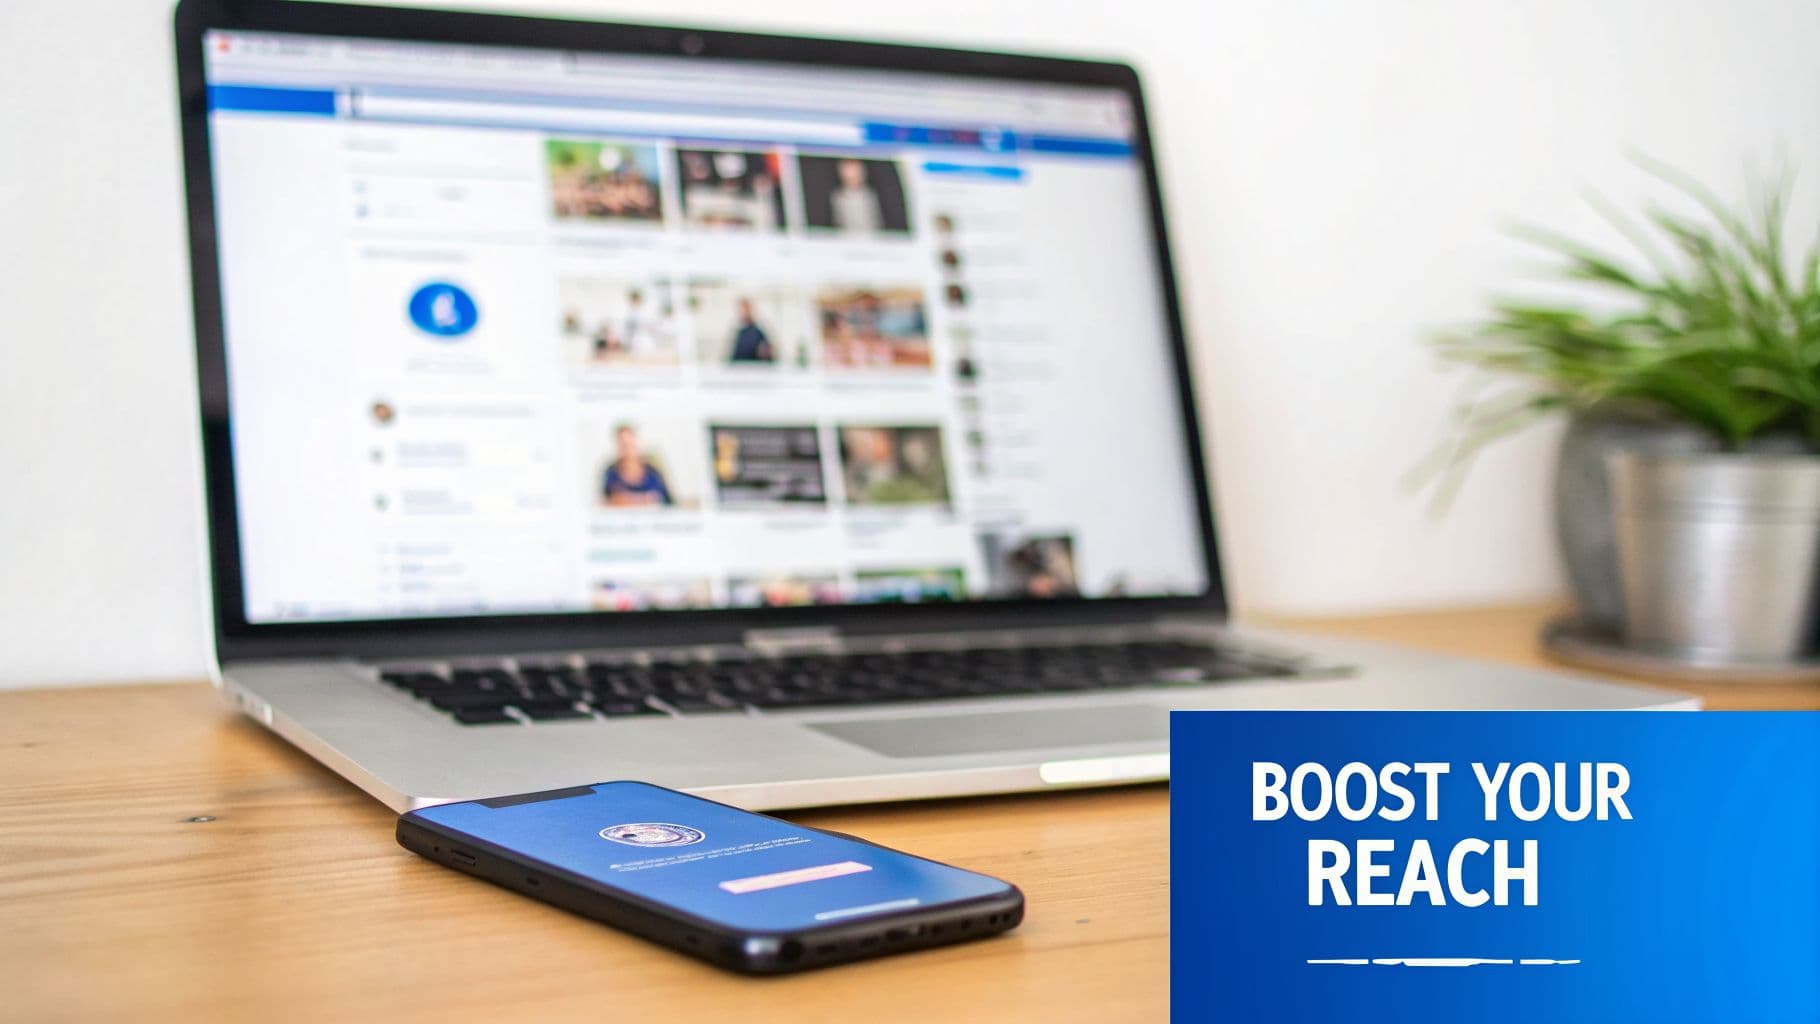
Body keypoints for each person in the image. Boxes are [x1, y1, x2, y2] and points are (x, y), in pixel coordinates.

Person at [602, 425, 673, 507]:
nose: (627, 449)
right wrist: (643, 499)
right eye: (623, 445)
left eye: (630, 444)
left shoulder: (652, 471)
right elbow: (608, 500)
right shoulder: (611, 473)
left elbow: (665, 499)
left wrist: (628, 499)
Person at [830, 158, 884, 232]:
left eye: (857, 175)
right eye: (850, 177)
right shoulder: (838, 196)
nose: (854, 179)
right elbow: (838, 222)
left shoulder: (870, 194)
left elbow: (877, 221)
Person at [727, 297, 774, 363]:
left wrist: (766, 354)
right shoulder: (739, 332)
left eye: (746, 310)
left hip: (754, 367)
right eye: (741, 310)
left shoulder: (758, 332)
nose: (743, 313)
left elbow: (768, 356)